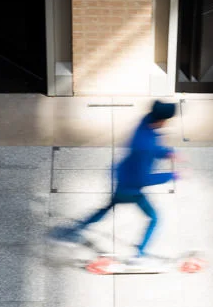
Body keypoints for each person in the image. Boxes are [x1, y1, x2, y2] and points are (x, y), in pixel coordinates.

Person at [50, 100, 181, 261]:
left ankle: (75, 230)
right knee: (153, 218)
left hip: (121, 177)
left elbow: (152, 144)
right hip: (131, 188)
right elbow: (143, 178)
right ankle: (138, 255)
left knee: (107, 207)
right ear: (162, 120)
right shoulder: (145, 147)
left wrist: (166, 152)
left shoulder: (145, 122)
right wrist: (171, 176)